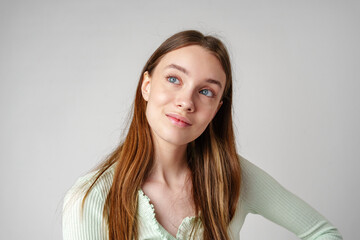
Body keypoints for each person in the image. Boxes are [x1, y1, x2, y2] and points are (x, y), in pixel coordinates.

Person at [62, 30, 343, 240]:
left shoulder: (232, 177)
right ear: (146, 86)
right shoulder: (91, 198)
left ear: (217, 109)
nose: (186, 101)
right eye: (174, 79)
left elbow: (324, 233)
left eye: (206, 91)